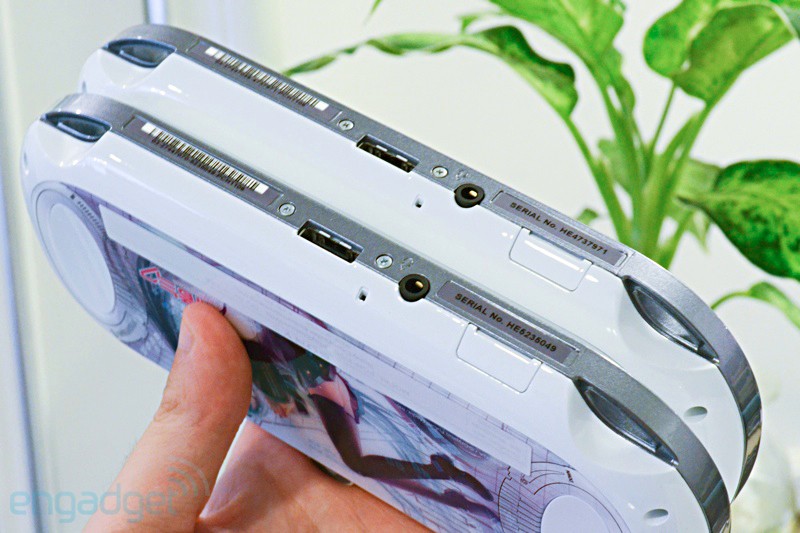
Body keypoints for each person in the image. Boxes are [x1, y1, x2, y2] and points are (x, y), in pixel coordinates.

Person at [86, 302, 428, 531]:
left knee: (358, 459)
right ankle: (436, 471)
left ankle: (435, 471)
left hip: (318, 388)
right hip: (316, 391)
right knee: (358, 459)